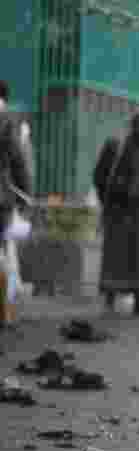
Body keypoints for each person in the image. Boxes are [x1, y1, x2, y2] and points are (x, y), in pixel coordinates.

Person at [94, 108, 139, 317]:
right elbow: (100, 176)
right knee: (115, 256)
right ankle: (109, 300)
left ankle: (138, 301)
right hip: (118, 211)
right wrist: (108, 202)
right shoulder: (116, 147)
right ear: (134, 125)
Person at [0, 81, 33, 328]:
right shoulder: (6, 121)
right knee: (3, 250)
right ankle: (4, 310)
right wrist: (26, 193)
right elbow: (18, 160)